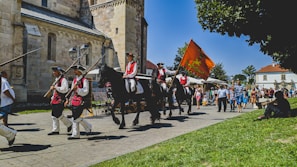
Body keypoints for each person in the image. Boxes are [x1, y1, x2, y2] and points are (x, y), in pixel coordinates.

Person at [65, 65, 92, 139]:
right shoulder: (75, 80)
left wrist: (77, 89)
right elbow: (72, 92)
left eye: (76, 70)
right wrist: (68, 100)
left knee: (75, 118)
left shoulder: (84, 80)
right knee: (75, 117)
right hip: (74, 100)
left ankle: (76, 134)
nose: (74, 71)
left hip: (81, 100)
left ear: (80, 71)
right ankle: (87, 127)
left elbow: (86, 92)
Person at [47, 66, 72, 135]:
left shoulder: (63, 80)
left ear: (58, 72)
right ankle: (55, 130)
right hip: (55, 99)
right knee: (53, 115)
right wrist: (52, 98)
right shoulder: (56, 80)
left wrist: (55, 87)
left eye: (55, 71)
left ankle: (69, 123)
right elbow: (55, 92)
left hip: (60, 99)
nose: (53, 73)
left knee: (58, 114)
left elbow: (65, 89)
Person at [0, 73, 17, 146]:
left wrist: (12, 98)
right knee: (4, 120)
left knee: (4, 119)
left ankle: (10, 134)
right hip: (3, 103)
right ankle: (10, 133)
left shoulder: (3, 81)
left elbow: (5, 91)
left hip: (4, 104)